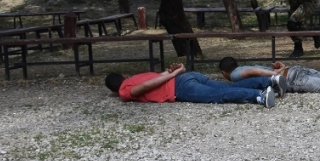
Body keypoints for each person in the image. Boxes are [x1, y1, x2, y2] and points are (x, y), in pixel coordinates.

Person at [104, 63, 276, 107]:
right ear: (123, 76)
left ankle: (259, 97)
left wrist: (174, 73)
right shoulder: (134, 77)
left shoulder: (125, 90)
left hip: (180, 87)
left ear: (114, 89)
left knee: (219, 96)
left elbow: (146, 87)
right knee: (226, 88)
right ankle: (268, 81)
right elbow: (157, 76)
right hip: (189, 77)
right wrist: (174, 72)